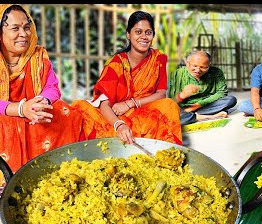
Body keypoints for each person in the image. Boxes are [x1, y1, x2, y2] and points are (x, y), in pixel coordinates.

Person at [71, 10, 182, 146]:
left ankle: (166, 154)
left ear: (153, 35)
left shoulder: (158, 59)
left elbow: (161, 94)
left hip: (144, 113)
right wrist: (119, 125)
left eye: (148, 32)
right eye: (138, 32)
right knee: (80, 108)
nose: (144, 37)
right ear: (128, 35)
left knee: (169, 105)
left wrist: (130, 103)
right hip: (114, 116)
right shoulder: (116, 63)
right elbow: (104, 104)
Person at [0, 4, 83, 173]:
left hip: (35, 113)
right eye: (15, 28)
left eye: (27, 28)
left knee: (65, 113)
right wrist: (21, 109)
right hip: (4, 114)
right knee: (9, 125)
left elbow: (52, 87)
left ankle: (61, 171)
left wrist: (41, 102)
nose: (23, 34)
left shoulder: (38, 56)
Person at [168, 49, 237, 125]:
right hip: (184, 108)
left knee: (231, 100)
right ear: (187, 64)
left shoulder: (216, 72)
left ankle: (192, 116)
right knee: (169, 113)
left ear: (209, 66)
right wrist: (182, 95)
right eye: (194, 66)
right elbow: (170, 101)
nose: (197, 70)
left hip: (205, 106)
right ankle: (207, 115)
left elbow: (222, 92)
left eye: (203, 67)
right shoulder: (176, 74)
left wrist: (199, 104)